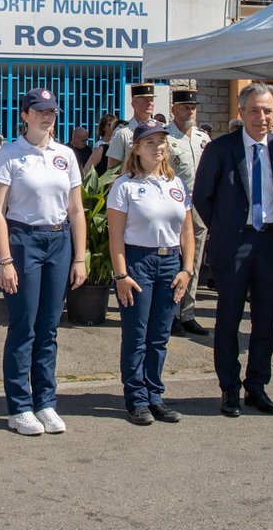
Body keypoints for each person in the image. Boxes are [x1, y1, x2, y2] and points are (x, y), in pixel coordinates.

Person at [0, 87, 87, 436]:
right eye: (40, 111)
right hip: (23, 239)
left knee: (49, 327)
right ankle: (19, 406)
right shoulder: (9, 154)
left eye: (51, 111)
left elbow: (76, 210)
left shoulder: (65, 155)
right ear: (25, 115)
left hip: (58, 241)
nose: (47, 116)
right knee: (23, 327)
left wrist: (79, 257)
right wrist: (5, 260)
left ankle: (45, 402)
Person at [192, 82, 273, 419]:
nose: (261, 117)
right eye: (254, 110)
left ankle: (257, 385)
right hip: (234, 244)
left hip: (271, 243)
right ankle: (229, 388)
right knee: (229, 318)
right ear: (241, 112)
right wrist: (226, 229)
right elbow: (202, 197)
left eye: (267, 111)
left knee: (265, 320)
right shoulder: (221, 149)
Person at [108, 120, 195, 425]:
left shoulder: (176, 185)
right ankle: (136, 399)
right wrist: (121, 275)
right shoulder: (125, 185)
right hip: (138, 262)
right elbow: (115, 236)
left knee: (159, 336)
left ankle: (155, 395)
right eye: (150, 142)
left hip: (170, 262)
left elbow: (187, 231)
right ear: (136, 148)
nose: (158, 147)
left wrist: (187, 269)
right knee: (137, 335)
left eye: (161, 141)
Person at [165, 89, 211, 338]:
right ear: (174, 109)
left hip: (198, 208)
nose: (189, 111)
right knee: (175, 263)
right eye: (184, 107)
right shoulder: (167, 139)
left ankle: (189, 313)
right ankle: (171, 315)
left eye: (192, 108)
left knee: (193, 263)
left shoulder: (203, 139)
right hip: (174, 208)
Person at [106, 84, 155, 171]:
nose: (149, 103)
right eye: (144, 100)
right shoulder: (123, 132)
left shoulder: (160, 130)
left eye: (151, 99)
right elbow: (112, 170)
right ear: (133, 104)